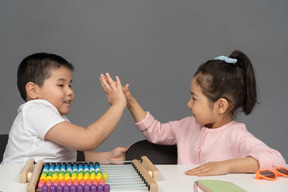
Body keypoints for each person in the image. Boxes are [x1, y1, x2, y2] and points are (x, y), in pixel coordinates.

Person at [103, 50, 286, 176]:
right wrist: (130, 101)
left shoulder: (235, 135)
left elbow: (276, 160)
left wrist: (226, 166)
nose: (189, 104)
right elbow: (155, 131)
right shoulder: (187, 126)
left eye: (194, 98)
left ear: (221, 106)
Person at [2, 53, 128, 164]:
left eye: (70, 85)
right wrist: (118, 104)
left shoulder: (50, 115)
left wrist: (107, 157)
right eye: (61, 85)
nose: (70, 92)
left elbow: (67, 155)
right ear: (33, 90)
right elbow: (88, 140)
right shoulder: (35, 110)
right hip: (19, 183)